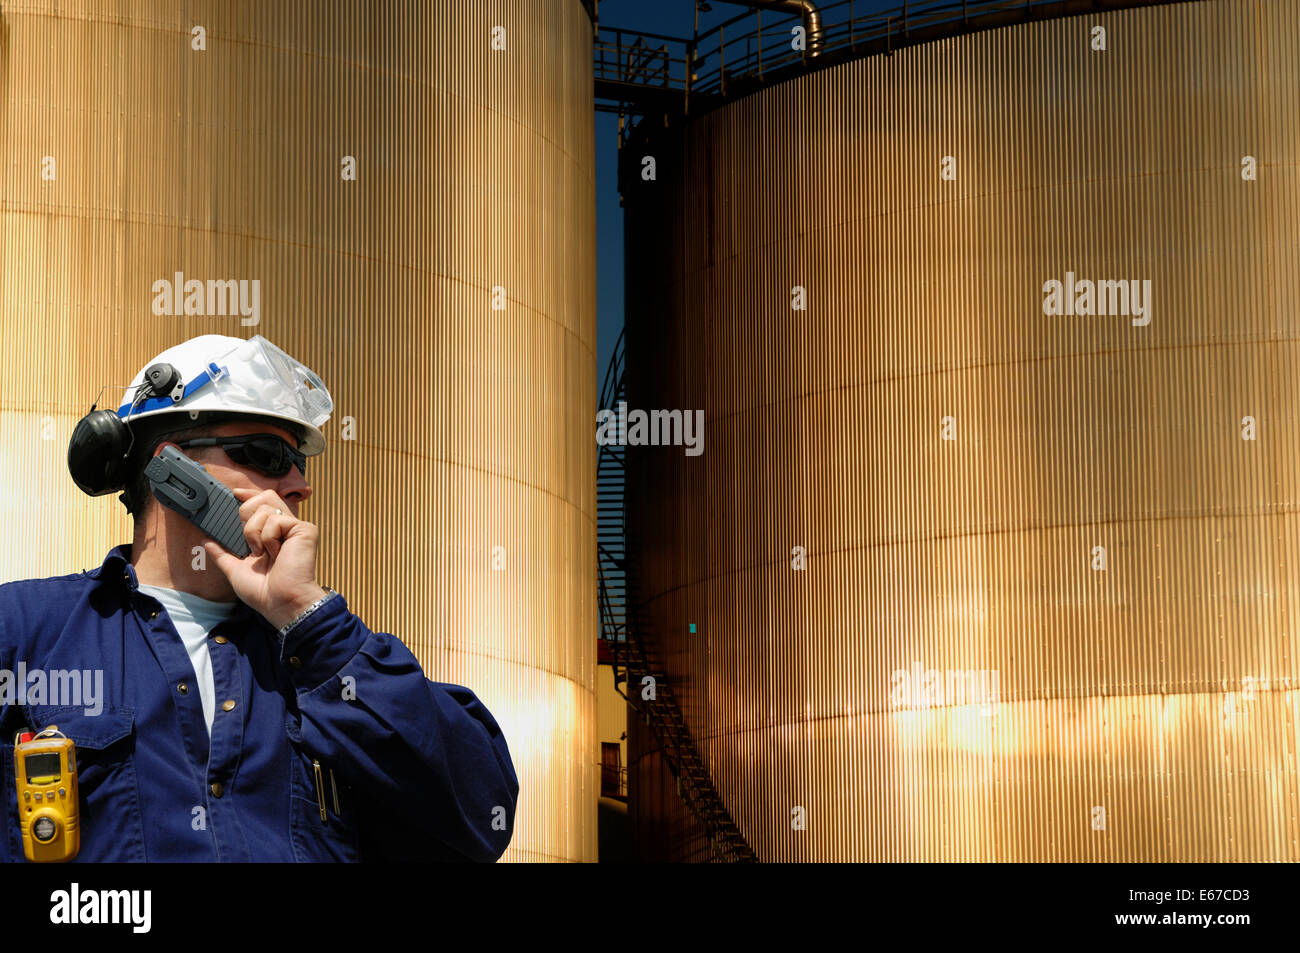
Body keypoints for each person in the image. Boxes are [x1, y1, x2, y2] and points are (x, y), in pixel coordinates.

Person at [0, 334, 518, 861]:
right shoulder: (24, 634)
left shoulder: (326, 663)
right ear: (174, 469)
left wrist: (309, 622)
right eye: (267, 454)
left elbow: (483, 817)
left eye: (300, 462)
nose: (298, 484)